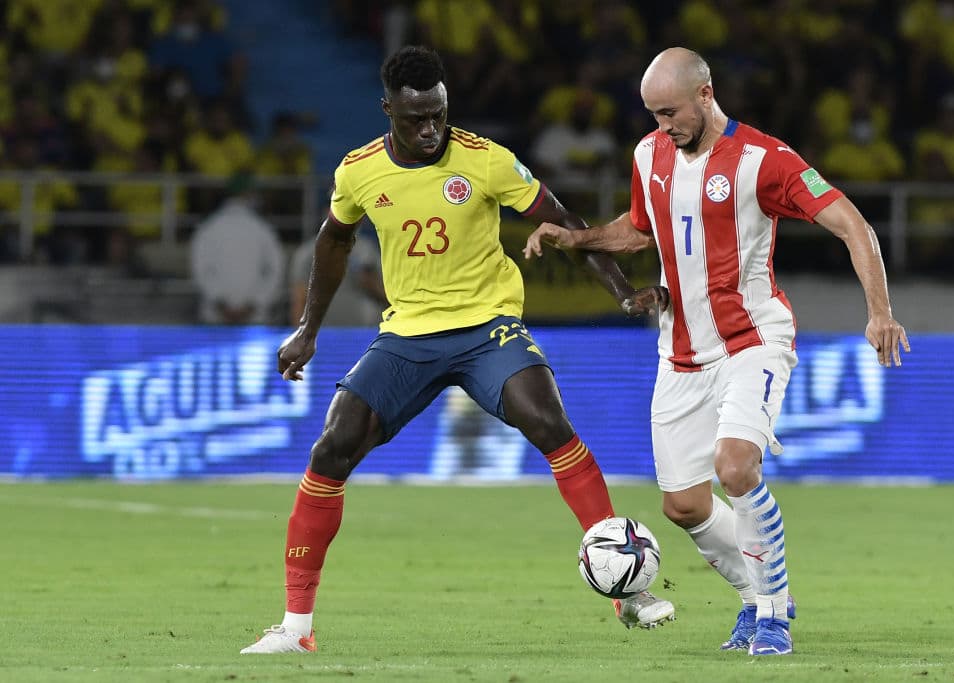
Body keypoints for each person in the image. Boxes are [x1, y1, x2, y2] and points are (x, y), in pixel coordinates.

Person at [240, 45, 674, 654]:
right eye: (415, 118)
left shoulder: (486, 160)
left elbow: (566, 221)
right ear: (388, 109)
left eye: (439, 115)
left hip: (487, 325)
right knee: (332, 447)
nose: (429, 130)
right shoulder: (358, 171)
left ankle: (626, 590)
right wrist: (308, 329)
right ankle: (296, 629)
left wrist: (623, 292)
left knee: (548, 420)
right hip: (409, 335)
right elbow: (333, 245)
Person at [524, 48, 911, 657]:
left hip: (752, 340)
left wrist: (880, 312)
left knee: (736, 468)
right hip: (679, 350)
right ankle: (753, 598)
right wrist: (579, 238)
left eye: (671, 112)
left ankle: (773, 616)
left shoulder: (764, 159)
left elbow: (852, 224)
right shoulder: (648, 154)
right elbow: (639, 226)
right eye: (653, 114)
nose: (663, 126)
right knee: (682, 505)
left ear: (706, 94)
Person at [190, 175, 285, 325]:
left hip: (215, 317)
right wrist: (253, 305)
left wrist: (222, 305)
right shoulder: (263, 229)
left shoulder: (208, 228)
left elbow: (201, 270)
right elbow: (274, 270)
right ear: (247, 193)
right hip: (254, 319)